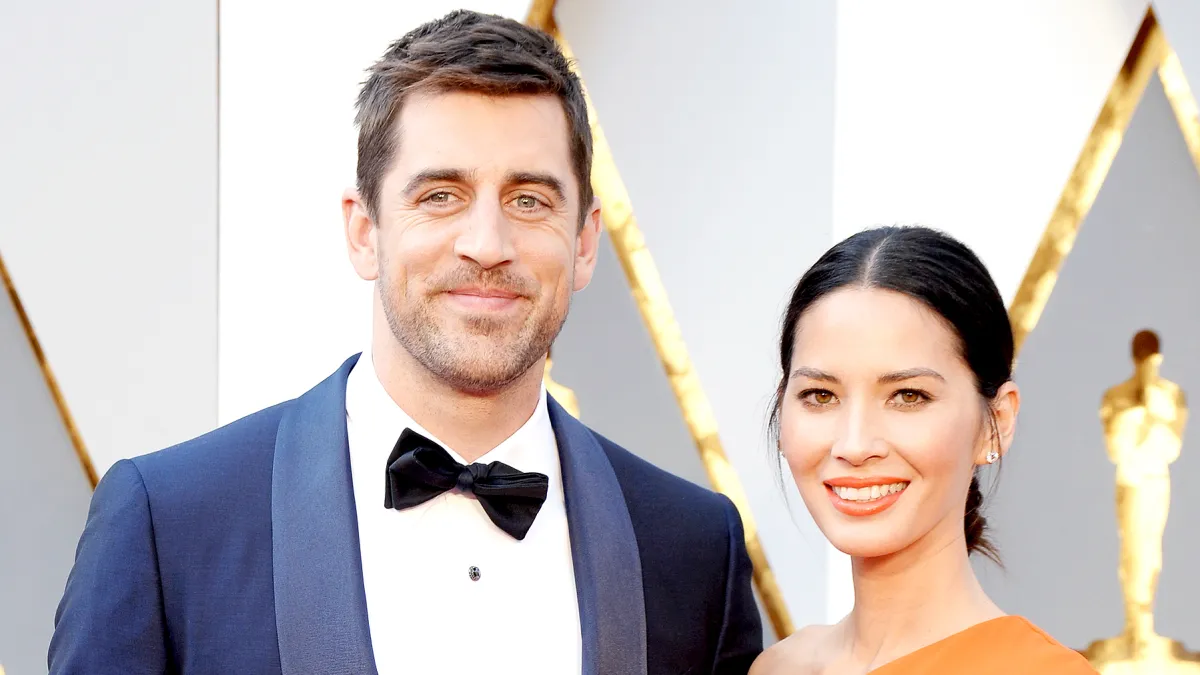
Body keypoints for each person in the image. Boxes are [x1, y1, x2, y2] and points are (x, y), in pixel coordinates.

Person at [48, 10, 762, 675]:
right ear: (365, 231)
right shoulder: (166, 523)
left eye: (529, 200)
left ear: (584, 243)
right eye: (441, 195)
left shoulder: (694, 549)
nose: (487, 244)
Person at [751, 226, 1095, 674]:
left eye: (908, 396)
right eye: (820, 395)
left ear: (998, 423)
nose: (855, 445)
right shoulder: (777, 668)